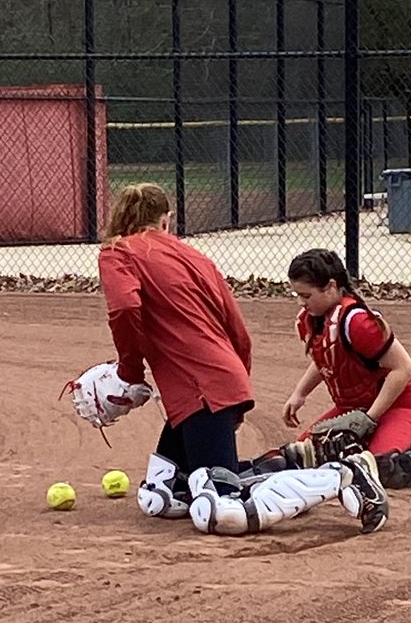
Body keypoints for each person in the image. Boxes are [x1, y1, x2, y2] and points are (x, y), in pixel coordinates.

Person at [97, 184, 389, 534]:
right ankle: (287, 471)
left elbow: (126, 307)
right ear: (166, 222)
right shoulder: (195, 257)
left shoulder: (118, 253)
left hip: (202, 391)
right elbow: (238, 332)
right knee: (162, 496)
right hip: (210, 385)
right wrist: (235, 394)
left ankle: (344, 475)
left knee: (221, 510)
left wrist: (129, 372)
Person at [273, 248, 411, 488]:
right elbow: (328, 359)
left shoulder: (357, 322)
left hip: (402, 405)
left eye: (306, 295)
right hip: (353, 408)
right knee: (305, 457)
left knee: (377, 468)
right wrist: (300, 393)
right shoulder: (314, 319)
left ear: (330, 287)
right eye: (297, 295)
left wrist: (368, 419)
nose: (301, 302)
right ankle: (372, 443)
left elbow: (403, 368)